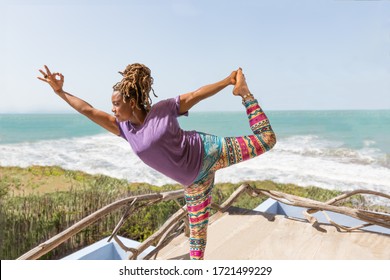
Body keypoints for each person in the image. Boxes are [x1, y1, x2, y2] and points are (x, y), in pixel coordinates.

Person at [38, 63, 276, 260]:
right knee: (197, 246)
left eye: (116, 104)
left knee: (267, 140)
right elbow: (87, 110)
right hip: (195, 184)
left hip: (210, 151)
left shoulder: (163, 109)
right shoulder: (123, 128)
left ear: (132, 102)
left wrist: (227, 82)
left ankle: (245, 93)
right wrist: (60, 92)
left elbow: (195, 95)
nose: (113, 109)